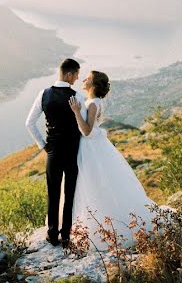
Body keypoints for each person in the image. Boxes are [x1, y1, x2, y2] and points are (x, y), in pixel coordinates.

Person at [67, 70, 156, 250]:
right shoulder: (95, 102)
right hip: (96, 147)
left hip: (90, 149)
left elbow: (87, 131)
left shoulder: (92, 104)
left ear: (93, 84)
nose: (83, 79)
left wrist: (76, 111)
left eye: (88, 78)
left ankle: (100, 228)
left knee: (91, 184)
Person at [24, 58, 82, 247]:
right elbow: (83, 127)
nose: (77, 78)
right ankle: (66, 235)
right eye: (76, 74)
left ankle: (52, 234)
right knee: (69, 194)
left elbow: (29, 123)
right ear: (68, 74)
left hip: (53, 152)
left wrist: (43, 145)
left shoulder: (44, 94)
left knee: (53, 193)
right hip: (72, 152)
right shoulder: (77, 97)